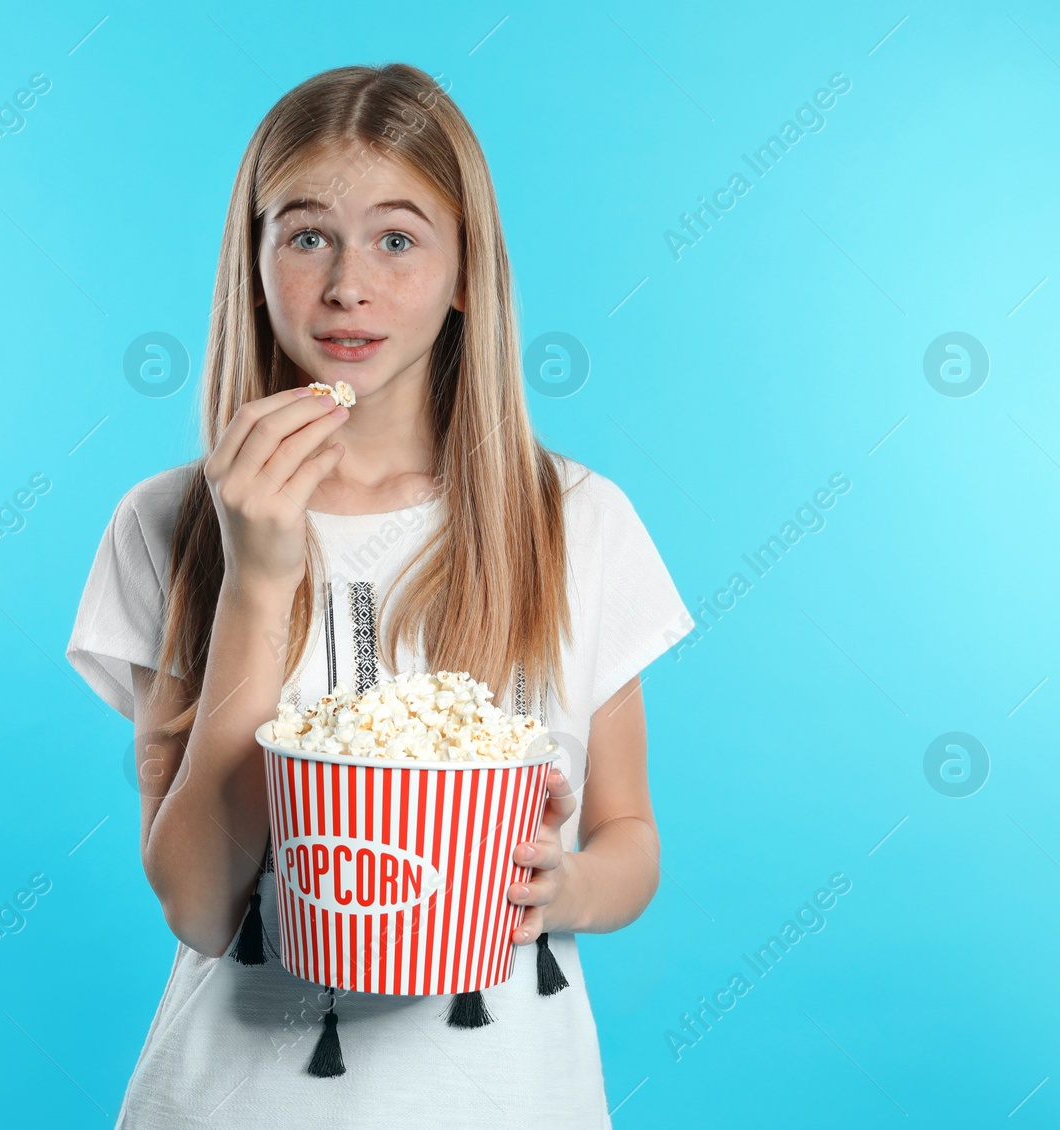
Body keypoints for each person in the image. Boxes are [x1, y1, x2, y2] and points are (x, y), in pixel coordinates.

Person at [66, 62, 692, 1129]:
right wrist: (258, 573)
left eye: (397, 238)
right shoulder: (167, 522)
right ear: (252, 261)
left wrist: (568, 888)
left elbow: (628, 832)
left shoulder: (577, 520)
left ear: (463, 274)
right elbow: (202, 904)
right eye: (306, 235)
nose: (347, 284)